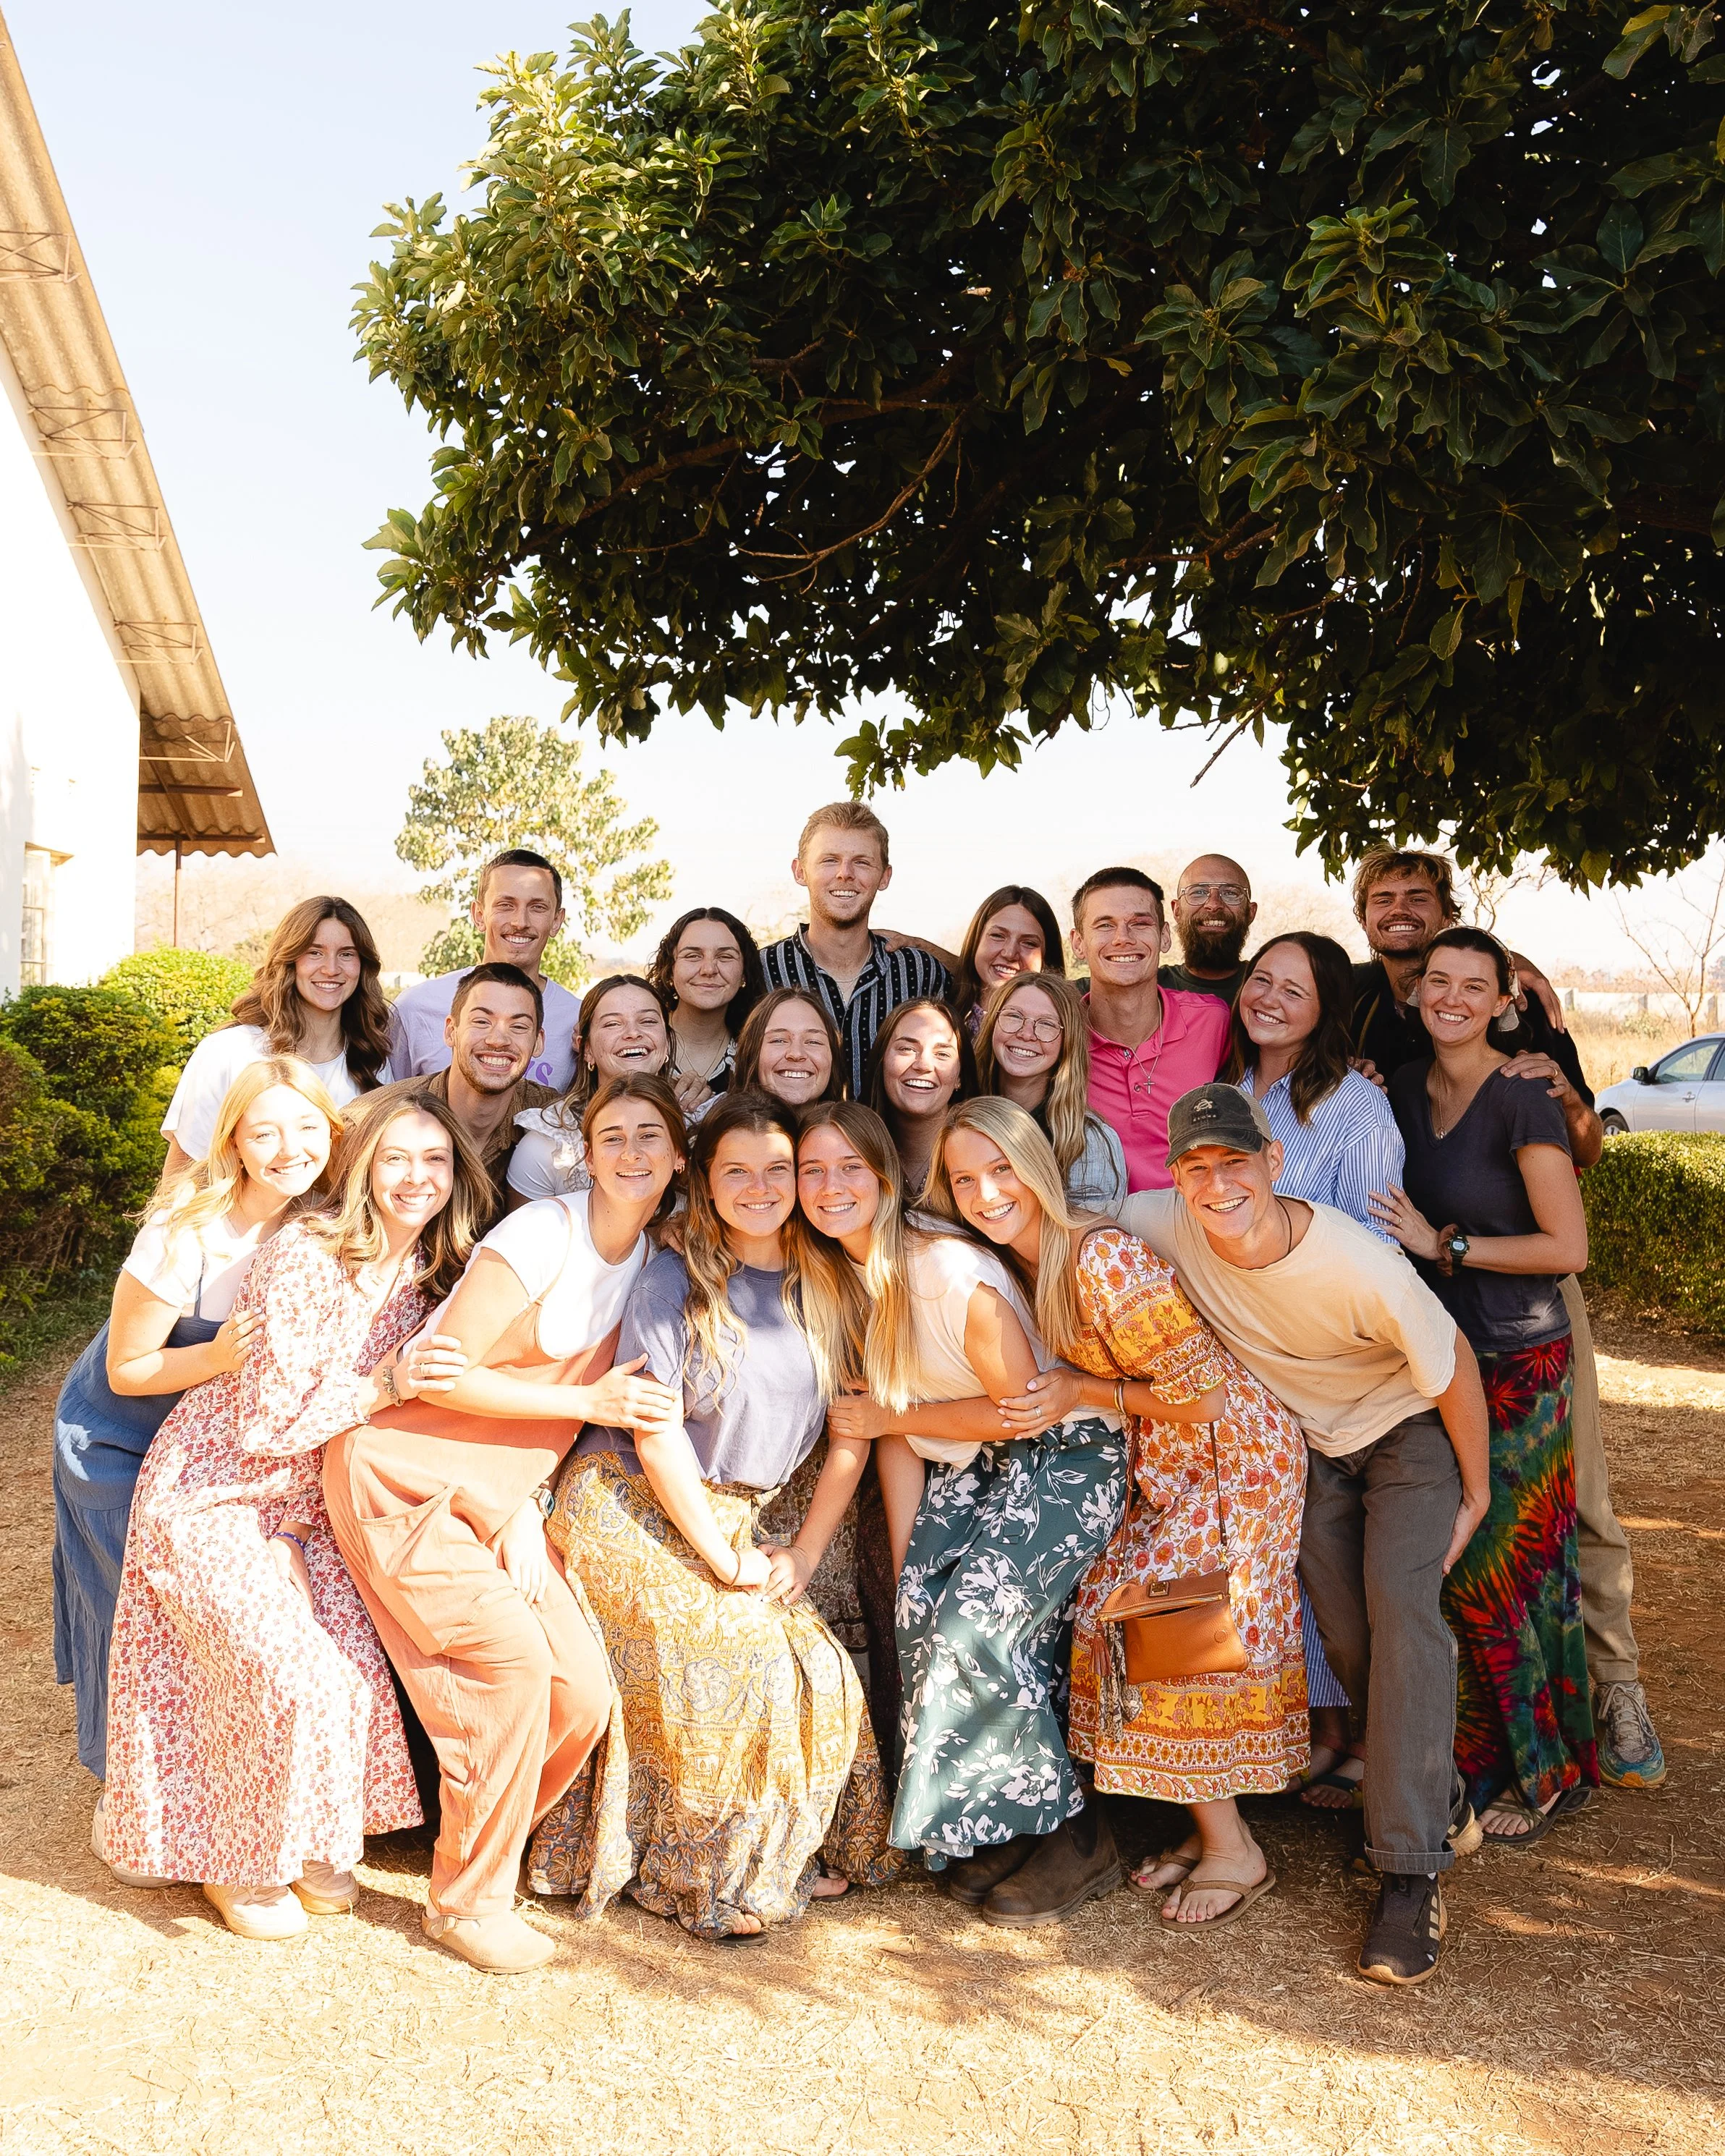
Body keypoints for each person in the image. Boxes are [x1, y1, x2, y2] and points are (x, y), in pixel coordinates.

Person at [1120, 1083, 1491, 1988]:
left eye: (1234, 1163)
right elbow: (1060, 1225)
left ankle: (1409, 1872)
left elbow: (1450, 1366)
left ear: (1273, 1163)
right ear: (1177, 1177)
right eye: (1197, 1168)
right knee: (1346, 1630)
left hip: (1406, 1430)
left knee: (1402, 1612)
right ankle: (1436, 1796)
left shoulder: (1354, 1263)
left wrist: (1475, 1494)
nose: (1216, 1186)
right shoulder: (1161, 1218)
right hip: (1317, 1445)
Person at [101, 1092, 486, 1940]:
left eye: (434, 1160)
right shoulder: (304, 1258)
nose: (415, 1178)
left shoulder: (427, 1279)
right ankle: (239, 1857)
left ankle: (309, 1833)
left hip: (310, 1510)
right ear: (360, 1166)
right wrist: (387, 1383)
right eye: (395, 1158)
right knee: (289, 1673)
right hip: (214, 1491)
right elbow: (266, 1423)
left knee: (350, 1666)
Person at [325, 1075, 687, 1972]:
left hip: (495, 1498)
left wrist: (524, 1504)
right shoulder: (540, 1235)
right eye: (612, 1136)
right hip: (401, 1480)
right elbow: (436, 1374)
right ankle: (465, 1901)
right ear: (585, 1152)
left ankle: (479, 1840)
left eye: (652, 1136)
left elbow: (544, 1422)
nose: (632, 1152)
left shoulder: (647, 1257)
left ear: (679, 1157)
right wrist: (585, 1395)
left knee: (580, 1695)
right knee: (511, 1666)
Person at [527, 1092, 899, 1938]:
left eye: (778, 1169)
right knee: (734, 1652)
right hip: (631, 1502)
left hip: (741, 1516)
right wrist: (725, 1563)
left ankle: (782, 1853)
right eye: (736, 1168)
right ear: (704, 1176)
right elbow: (655, 1438)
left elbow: (852, 1433)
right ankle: (695, 1868)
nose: (760, 1186)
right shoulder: (674, 1277)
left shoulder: (833, 1285)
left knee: (821, 1673)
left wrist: (802, 1552)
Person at [1348, 847, 1658, 1787]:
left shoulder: (1521, 1029)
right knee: (1464, 1544)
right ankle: (1468, 1738)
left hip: (1525, 1314)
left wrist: (1453, 1241)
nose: (1401, 912)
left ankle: (1615, 1692)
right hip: (1440, 1329)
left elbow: (1583, 1153)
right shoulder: (1374, 1017)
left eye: (1418, 899)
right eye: (1383, 899)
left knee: (1571, 1518)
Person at [954, 1100, 1307, 1928]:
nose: (985, 1192)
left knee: (1175, 1633)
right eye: (965, 1179)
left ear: (1035, 1166)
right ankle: (1201, 1822)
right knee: (1116, 1610)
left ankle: (1235, 1851)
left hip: (1233, 1457)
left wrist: (1084, 1390)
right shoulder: (1028, 1262)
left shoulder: (1099, 1259)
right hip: (1172, 1461)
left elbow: (1206, 1395)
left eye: (1001, 1169)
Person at [820, 1105, 1129, 1924]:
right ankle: (1008, 1823)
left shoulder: (948, 1271)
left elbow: (1022, 1409)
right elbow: (892, 1420)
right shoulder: (848, 1273)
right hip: (974, 1462)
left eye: (849, 1169)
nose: (829, 1188)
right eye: (812, 1172)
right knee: (927, 1613)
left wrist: (891, 1421)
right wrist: (909, 1562)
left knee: (975, 1628)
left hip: (1064, 1456)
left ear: (888, 1181)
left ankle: (1077, 1830)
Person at [56, 1058, 342, 1823]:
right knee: (135, 1599)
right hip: (124, 1434)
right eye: (267, 1131)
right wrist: (216, 1357)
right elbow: (126, 1367)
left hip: (221, 1452)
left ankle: (219, 1771)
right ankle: (127, 1784)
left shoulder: (325, 1223)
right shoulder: (185, 1234)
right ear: (235, 1143)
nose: (291, 1146)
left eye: (308, 1126)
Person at [1369, 929, 1597, 1848]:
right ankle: (1469, 1759)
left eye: (1474, 985)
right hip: (1435, 1359)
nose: (1452, 998)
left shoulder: (1522, 1095)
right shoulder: (1401, 1088)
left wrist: (1446, 1245)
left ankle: (1546, 1770)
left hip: (1518, 1359)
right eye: (1437, 981)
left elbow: (1565, 1248)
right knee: (1450, 1562)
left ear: (1504, 998)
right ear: (1414, 991)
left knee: (1508, 1565)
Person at [1231, 930, 1408, 1802]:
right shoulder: (1229, 1096)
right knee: (1283, 1553)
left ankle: (1371, 1736)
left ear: (1324, 1010)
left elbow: (1375, 1246)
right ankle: (1321, 1726)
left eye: (1291, 990)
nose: (1267, 996)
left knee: (1334, 1559)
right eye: (1260, 979)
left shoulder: (1352, 1107)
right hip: (1247, 1367)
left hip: (1329, 1367)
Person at [161, 898, 389, 1171]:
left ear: (363, 966)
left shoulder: (373, 1060)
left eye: (347, 954)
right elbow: (182, 1173)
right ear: (289, 960)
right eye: (314, 952)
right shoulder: (229, 1052)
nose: (331, 968)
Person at [759, 802, 952, 1097]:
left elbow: (986, 991)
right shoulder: (763, 970)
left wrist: (926, 946)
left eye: (861, 862)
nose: (844, 874)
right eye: (829, 860)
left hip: (891, 1144)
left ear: (884, 877)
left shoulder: (921, 972)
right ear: (800, 871)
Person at [1072, 867, 1232, 1193]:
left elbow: (1274, 1075)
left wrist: (1355, 1067)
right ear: (1078, 943)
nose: (1123, 938)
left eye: (1140, 924)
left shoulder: (1212, 1021)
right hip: (1100, 1226)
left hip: (1197, 1219)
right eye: (1105, 925)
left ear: (1165, 936)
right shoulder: (1061, 1034)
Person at [368, 962, 556, 1226]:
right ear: (450, 1031)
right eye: (481, 1022)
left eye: (519, 1027)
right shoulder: (375, 1119)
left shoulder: (556, 1122)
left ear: (538, 1042)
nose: (498, 1040)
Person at [387, 849, 580, 1092]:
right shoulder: (415, 1008)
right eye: (505, 905)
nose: (520, 922)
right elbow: (389, 1103)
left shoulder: (578, 1020)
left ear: (556, 921)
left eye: (537, 907)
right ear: (479, 915)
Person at [506, 973, 706, 1203]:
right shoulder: (548, 1145)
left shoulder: (701, 1127)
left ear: (668, 1042)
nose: (632, 1033)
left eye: (648, 1021)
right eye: (613, 1024)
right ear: (587, 1049)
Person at [975, 969, 1126, 1214]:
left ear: (1067, 1042)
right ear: (993, 1023)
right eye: (1014, 1016)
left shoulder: (1089, 1141)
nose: (1026, 1034)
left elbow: (1089, 1240)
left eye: (1046, 1024)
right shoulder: (958, 1115)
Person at [648, 904, 766, 1094]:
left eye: (725, 956)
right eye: (693, 956)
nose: (709, 970)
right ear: (670, 970)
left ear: (744, 973)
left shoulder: (758, 1054)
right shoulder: (640, 1041)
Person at [864, 998, 977, 1194]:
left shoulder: (982, 1151)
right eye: (907, 1049)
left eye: (942, 1054)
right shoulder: (855, 1150)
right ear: (882, 1062)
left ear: (960, 1076)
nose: (923, 1065)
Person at [951, 886, 1066, 1032]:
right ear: (976, 940)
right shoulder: (940, 1015)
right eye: (998, 936)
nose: (1010, 953)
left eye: (1029, 943)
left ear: (1046, 958)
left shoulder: (1062, 1033)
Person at [1161, 856, 1259, 1006]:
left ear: (1250, 912)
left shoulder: (1270, 990)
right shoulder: (1149, 989)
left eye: (1230, 893)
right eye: (1199, 892)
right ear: (1177, 911)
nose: (1214, 905)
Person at [732, 986, 845, 1107]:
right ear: (752, 1053)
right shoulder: (721, 1125)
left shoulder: (855, 1126)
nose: (796, 1054)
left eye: (813, 1042)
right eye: (779, 1040)